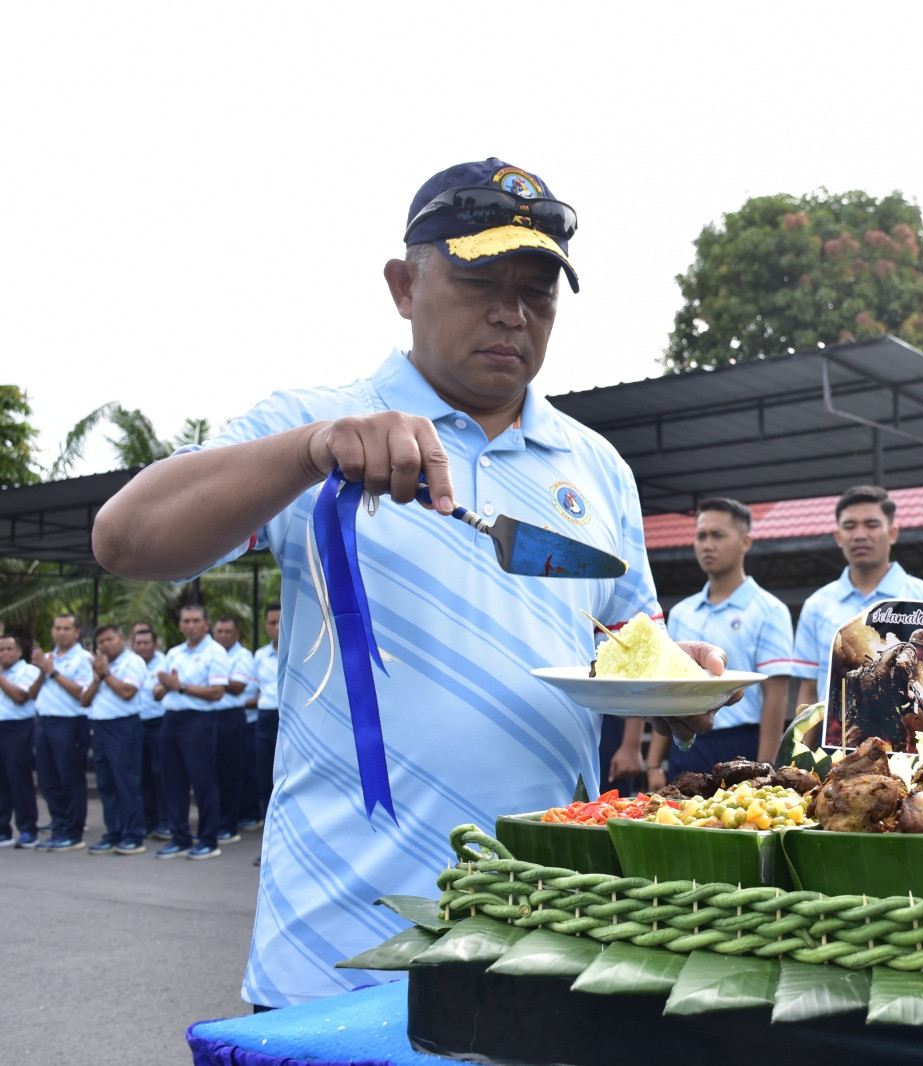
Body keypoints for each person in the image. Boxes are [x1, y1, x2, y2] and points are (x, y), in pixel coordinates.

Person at [92, 157, 729, 1007]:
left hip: (545, 936)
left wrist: (681, 686)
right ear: (403, 285)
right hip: (338, 941)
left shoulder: (598, 466)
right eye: (480, 279)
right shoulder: (312, 424)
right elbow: (125, 540)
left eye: (538, 291)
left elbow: (630, 646)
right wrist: (311, 451)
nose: (512, 312)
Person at [647, 497, 797, 788]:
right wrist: (654, 763)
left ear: (745, 542)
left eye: (717, 535)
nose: (707, 544)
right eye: (701, 536)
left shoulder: (769, 609)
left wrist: (766, 767)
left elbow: (775, 695)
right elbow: (665, 690)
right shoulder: (680, 612)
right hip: (686, 742)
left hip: (741, 744)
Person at [793, 485, 923, 719]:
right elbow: (809, 688)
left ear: (892, 533)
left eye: (871, 525)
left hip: (904, 736)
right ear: (838, 537)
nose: (860, 534)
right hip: (836, 737)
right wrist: (800, 746)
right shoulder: (817, 605)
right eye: (849, 526)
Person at [153, 604, 231, 860]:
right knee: (172, 782)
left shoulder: (215, 652)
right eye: (185, 621)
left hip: (199, 721)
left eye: (196, 620)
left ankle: (208, 839)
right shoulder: (174, 653)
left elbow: (217, 692)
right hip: (171, 718)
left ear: (206, 624)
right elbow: (157, 691)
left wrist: (181, 687)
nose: (190, 625)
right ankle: (180, 837)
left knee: (203, 781)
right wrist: (165, 687)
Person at [80, 623, 149, 854]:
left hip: (124, 726)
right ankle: (114, 831)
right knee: (106, 783)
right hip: (100, 727)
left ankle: (133, 834)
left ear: (122, 640)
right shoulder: (99, 667)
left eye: (110, 639)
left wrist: (105, 673)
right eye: (101, 642)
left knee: (126, 781)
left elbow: (127, 692)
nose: (105, 645)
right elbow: (84, 700)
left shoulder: (133, 662)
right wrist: (98, 676)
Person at [27, 613, 94, 850]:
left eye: (67, 628)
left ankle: (74, 832)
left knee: (70, 778)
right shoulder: (48, 657)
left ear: (77, 632)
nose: (61, 632)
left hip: (70, 722)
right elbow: (33, 694)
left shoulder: (84, 658)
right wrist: (44, 671)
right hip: (44, 721)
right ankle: (59, 824)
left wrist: (54, 672)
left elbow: (82, 693)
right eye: (58, 628)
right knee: (47, 778)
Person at [210, 615, 254, 843]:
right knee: (210, 772)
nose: (223, 635)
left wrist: (212, 679)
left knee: (229, 772)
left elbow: (237, 687)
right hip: (207, 716)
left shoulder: (243, 656)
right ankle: (214, 821)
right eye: (219, 631)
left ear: (236, 634)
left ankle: (229, 824)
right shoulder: (209, 653)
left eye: (228, 631)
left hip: (231, 718)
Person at [0, 632, 42, 848]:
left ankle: (28, 829)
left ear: (18, 651)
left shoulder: (29, 671)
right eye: (1, 649)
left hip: (19, 727)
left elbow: (19, 696)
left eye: (9, 649)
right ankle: (3, 830)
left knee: (19, 778)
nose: (4, 653)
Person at [129, 622, 170, 840]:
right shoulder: (129, 663)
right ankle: (148, 820)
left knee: (160, 773)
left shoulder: (164, 663)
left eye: (146, 643)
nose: (142, 647)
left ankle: (165, 821)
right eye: (138, 643)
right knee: (142, 774)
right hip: (136, 722)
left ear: (154, 644)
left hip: (158, 722)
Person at [253, 602, 282, 839]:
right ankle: (268, 840)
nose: (278, 627)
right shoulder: (260, 655)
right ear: (266, 626)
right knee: (265, 781)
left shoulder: (302, 650)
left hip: (287, 718)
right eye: (272, 622)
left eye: (282, 621)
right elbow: (255, 689)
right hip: (264, 718)